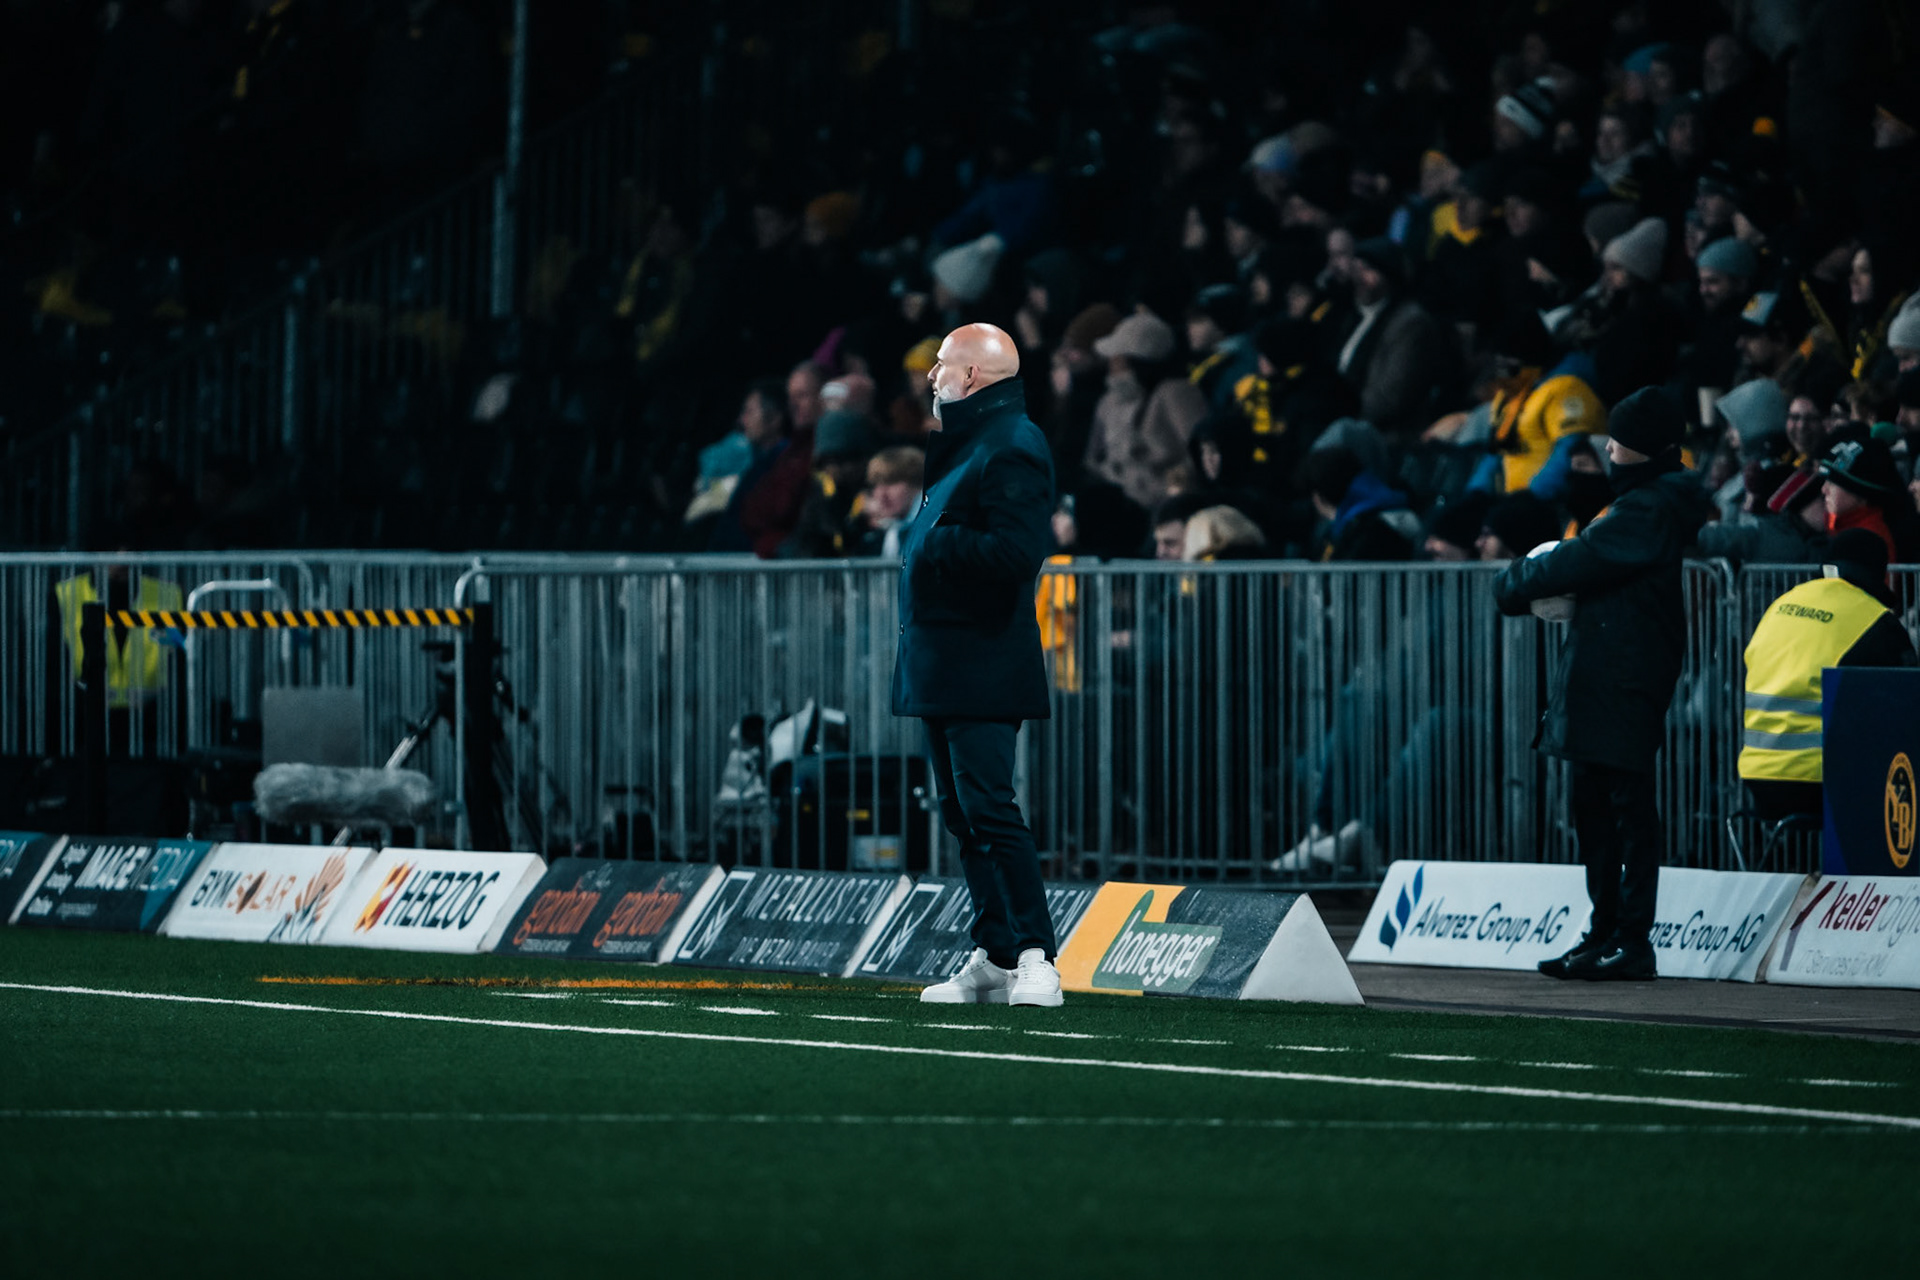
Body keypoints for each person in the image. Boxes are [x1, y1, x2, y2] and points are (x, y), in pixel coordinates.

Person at [1494, 387, 1712, 982]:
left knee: (1626, 811)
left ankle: (1631, 939)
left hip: (1626, 676)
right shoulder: (1647, 502)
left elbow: (1576, 561)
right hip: (1608, 674)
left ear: (1640, 448)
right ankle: (1604, 931)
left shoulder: (1648, 508)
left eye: (1618, 440)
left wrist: (1514, 580)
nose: (1609, 449)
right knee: (1595, 810)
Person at [897, 323, 1062, 1009]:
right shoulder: (976, 445)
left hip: (983, 660)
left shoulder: (1011, 445)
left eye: (943, 365)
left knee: (991, 810)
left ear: (974, 379)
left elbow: (1017, 554)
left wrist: (939, 544)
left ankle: (1036, 956)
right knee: (963, 815)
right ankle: (997, 954)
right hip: (945, 660)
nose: (932, 376)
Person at [1737, 530, 1917, 822]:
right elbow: (1907, 694)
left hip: (1756, 776)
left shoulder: (1782, 604)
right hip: (1823, 783)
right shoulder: (1874, 619)